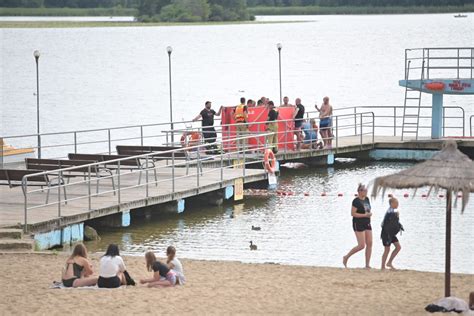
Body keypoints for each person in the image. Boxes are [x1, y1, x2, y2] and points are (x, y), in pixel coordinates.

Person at [343, 183, 373, 269]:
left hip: (367, 222)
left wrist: (369, 213)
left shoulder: (367, 199)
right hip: (358, 223)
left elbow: (367, 210)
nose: (366, 191)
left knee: (370, 243)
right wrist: (364, 215)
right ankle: (346, 257)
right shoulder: (356, 201)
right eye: (365, 190)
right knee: (361, 245)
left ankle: (367, 265)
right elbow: (353, 213)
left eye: (367, 190)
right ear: (359, 191)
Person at [381, 198, 402, 270]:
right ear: (392, 204)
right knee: (387, 249)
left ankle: (389, 262)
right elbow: (385, 223)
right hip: (386, 233)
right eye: (396, 203)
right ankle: (382, 267)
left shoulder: (393, 210)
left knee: (398, 247)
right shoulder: (390, 211)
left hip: (391, 233)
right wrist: (396, 215)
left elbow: (394, 222)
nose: (398, 204)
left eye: (398, 203)